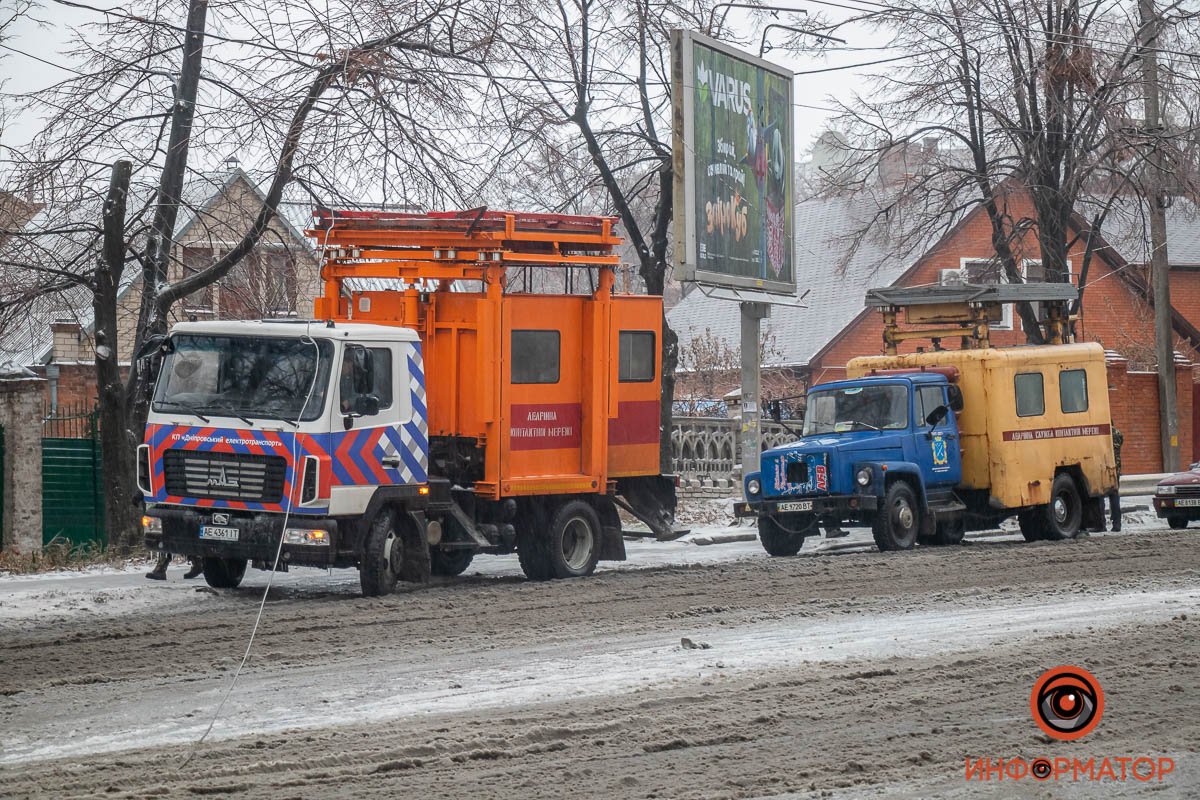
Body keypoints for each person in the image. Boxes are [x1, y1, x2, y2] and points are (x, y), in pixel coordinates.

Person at [1109, 426, 1123, 532]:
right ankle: (1117, 523)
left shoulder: (1104, 431)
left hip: (1106, 467)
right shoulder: (1118, 433)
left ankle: (1101, 524)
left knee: (1100, 496)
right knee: (1114, 495)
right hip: (1116, 468)